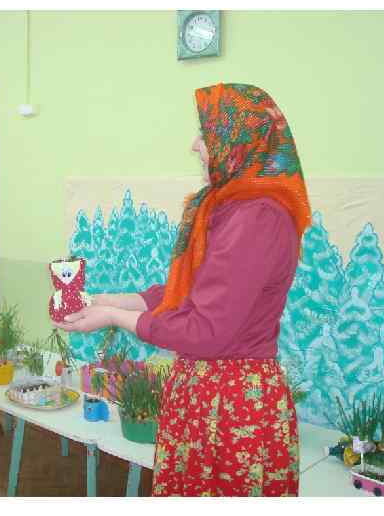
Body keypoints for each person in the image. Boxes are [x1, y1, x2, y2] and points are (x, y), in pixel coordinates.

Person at [54, 83, 312, 496]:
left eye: (206, 134)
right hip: (210, 396)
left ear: (239, 144)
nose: (195, 145)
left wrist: (114, 317)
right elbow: (191, 291)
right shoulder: (230, 207)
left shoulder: (257, 217)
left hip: (230, 408)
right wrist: (108, 301)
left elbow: (206, 331)